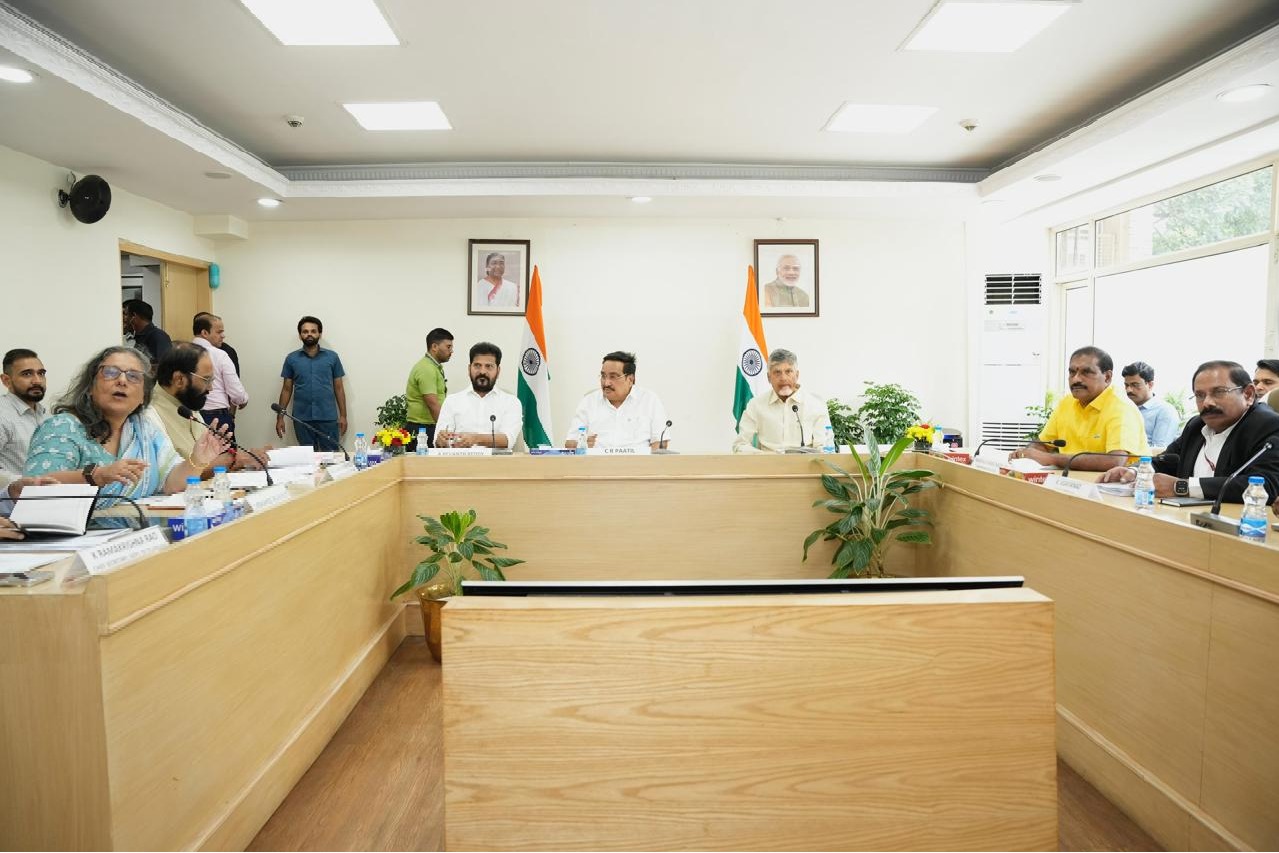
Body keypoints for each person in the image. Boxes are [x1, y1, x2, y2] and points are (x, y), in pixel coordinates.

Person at [24, 346, 229, 506]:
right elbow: (34, 487)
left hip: (134, 535)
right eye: (110, 373)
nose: (122, 381)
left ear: (143, 396)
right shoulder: (62, 427)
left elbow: (172, 483)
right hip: (73, 539)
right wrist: (96, 476)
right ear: (90, 387)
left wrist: (197, 460)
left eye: (133, 376)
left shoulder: (143, 429)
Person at [1102, 360, 1279, 503]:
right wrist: (1134, 471)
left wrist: (1181, 487)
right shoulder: (1196, 425)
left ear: (1248, 394)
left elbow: (1267, 485)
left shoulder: (1269, 426)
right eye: (1200, 395)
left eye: (1219, 392)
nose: (1207, 403)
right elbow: (1166, 461)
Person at [1012, 346, 1148, 471]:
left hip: (1120, 485)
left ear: (1107, 377)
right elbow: (1042, 444)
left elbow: (1115, 461)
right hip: (1071, 481)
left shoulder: (1121, 407)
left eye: (1086, 372)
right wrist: (1027, 456)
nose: (1076, 379)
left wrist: (1051, 458)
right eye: (1072, 372)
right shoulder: (1067, 402)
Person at [146, 343, 237, 474]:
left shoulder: (187, 403)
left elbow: (206, 460)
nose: (210, 388)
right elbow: (173, 475)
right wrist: (233, 460)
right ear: (179, 380)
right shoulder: (150, 414)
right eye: (206, 380)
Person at [565, 351, 670, 451]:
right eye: (603, 376)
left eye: (613, 377)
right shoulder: (589, 402)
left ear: (630, 379)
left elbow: (660, 443)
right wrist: (581, 443)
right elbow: (569, 444)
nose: (606, 383)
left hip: (638, 463)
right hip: (596, 463)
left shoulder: (649, 400)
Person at [733, 348, 830, 453]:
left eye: (788, 371)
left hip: (805, 462)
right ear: (769, 377)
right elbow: (740, 445)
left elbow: (824, 447)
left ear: (797, 375)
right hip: (768, 462)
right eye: (777, 372)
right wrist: (765, 457)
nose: (783, 378)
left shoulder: (815, 404)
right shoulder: (756, 405)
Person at [276, 316, 347, 452]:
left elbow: (339, 388)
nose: (309, 334)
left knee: (331, 458)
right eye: (305, 331)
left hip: (328, 418)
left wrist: (343, 416)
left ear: (320, 334)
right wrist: (280, 417)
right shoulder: (291, 359)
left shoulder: (332, 357)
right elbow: (286, 390)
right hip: (302, 419)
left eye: (313, 331)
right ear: (300, 335)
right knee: (307, 459)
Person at [434, 343, 523, 450]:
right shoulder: (452, 401)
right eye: (477, 365)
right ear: (469, 369)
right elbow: (439, 442)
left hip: (497, 460)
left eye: (489, 366)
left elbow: (507, 440)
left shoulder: (511, 402)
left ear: (498, 371)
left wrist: (475, 439)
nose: (482, 371)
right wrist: (441, 441)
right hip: (460, 460)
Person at [0, 348, 50, 493]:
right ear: (6, 380)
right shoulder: (3, 415)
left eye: (41, 373)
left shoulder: (48, 417)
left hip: (52, 498)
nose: (37, 380)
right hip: (12, 503)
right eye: (27, 374)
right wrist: (21, 483)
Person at [192, 314, 248, 436]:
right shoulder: (219, 355)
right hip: (216, 417)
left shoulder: (181, 352)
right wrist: (243, 399)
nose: (223, 335)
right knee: (222, 449)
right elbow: (236, 392)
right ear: (204, 333)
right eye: (219, 332)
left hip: (188, 417)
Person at [405, 328, 453, 450]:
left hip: (427, 427)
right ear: (434, 347)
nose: (451, 351)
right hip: (423, 430)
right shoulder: (427, 368)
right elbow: (432, 404)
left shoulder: (433, 367)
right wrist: (445, 431)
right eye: (448, 347)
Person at [1121, 361, 1179, 448]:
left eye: (1135, 385)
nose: (1129, 390)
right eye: (1126, 385)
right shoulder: (1124, 409)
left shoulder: (1165, 411)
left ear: (1150, 385)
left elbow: (1160, 450)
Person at [122, 299, 172, 364]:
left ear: (134, 316)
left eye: (125, 314)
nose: (123, 318)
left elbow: (165, 365)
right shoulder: (133, 337)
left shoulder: (159, 336)